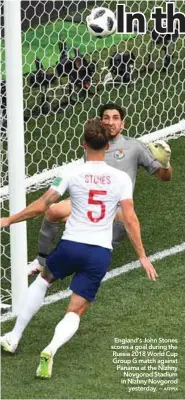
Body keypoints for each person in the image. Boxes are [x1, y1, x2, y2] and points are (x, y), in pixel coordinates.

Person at [0, 118, 157, 379]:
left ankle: (13, 337)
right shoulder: (120, 178)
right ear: (107, 146)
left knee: (44, 279)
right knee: (76, 310)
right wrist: (142, 256)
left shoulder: (72, 172)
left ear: (83, 145)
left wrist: (8, 219)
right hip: (99, 252)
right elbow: (130, 218)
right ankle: (50, 349)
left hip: (71, 245)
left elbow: (42, 206)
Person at [28, 103, 172, 275]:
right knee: (53, 210)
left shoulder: (134, 146)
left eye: (115, 118)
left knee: (91, 251)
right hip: (90, 200)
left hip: (115, 208)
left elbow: (165, 177)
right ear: (101, 122)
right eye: (106, 118)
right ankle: (41, 261)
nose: (111, 122)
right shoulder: (92, 145)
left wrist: (165, 164)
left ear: (122, 123)